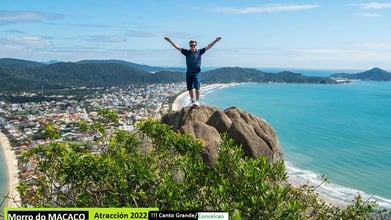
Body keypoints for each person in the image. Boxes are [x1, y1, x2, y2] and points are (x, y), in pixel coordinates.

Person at [164, 36, 222, 107]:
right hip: (189, 73)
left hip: (196, 73)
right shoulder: (186, 52)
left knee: (197, 88)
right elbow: (177, 47)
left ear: (196, 45)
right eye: (191, 45)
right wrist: (170, 41)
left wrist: (215, 41)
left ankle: (197, 101)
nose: (193, 46)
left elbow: (208, 46)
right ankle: (192, 101)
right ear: (190, 46)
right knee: (190, 89)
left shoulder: (199, 52)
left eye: (194, 45)